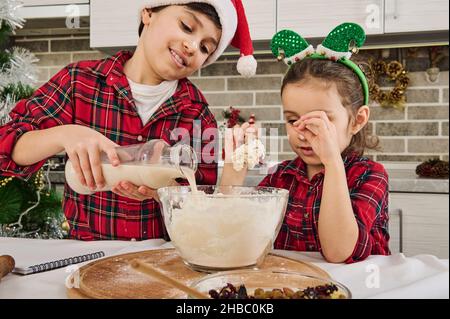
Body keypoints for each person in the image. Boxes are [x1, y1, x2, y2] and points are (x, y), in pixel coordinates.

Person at [0, 0, 257, 240]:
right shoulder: (80, 82)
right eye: (186, 26)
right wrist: (66, 134)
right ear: (148, 13)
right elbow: (7, 149)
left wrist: (164, 192)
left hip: (159, 264)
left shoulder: (198, 115)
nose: (192, 46)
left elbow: (201, 211)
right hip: (86, 255)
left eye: (205, 48)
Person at [221, 23, 390, 263]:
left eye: (318, 121)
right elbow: (234, 235)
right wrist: (233, 173)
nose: (303, 132)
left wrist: (332, 163)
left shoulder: (370, 176)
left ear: (357, 120)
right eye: (292, 120)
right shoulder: (280, 178)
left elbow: (339, 252)